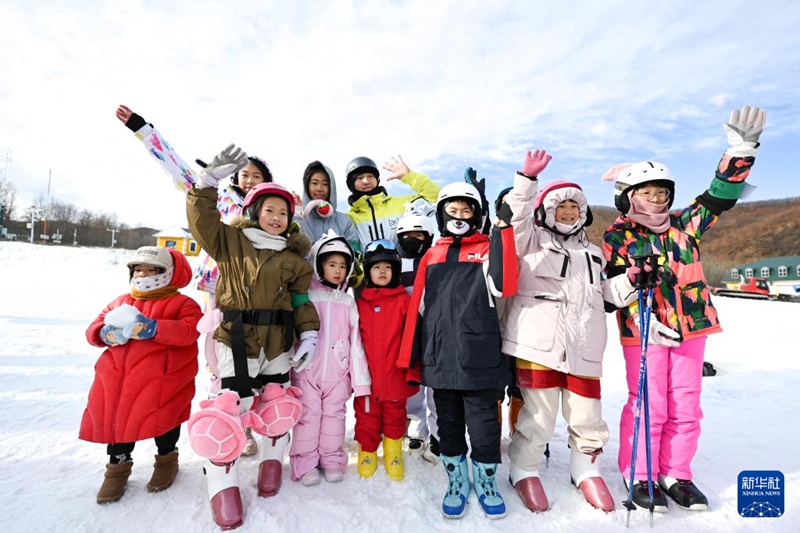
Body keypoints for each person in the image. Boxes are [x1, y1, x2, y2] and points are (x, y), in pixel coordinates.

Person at [601, 105, 767, 512]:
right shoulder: (617, 235)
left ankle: (676, 472)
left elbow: (718, 197)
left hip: (691, 325)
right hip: (645, 332)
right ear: (627, 196)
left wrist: (742, 151)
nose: (656, 199)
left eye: (662, 193)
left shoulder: (685, 225)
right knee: (649, 402)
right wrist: (645, 313)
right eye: (646, 193)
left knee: (687, 403)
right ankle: (639, 472)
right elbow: (610, 290)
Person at [116, 104, 271, 456]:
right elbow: (178, 167)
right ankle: (228, 423)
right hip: (218, 288)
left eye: (257, 176)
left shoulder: (271, 210)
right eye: (244, 174)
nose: (249, 179)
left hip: (255, 293)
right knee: (218, 358)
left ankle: (252, 418)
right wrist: (144, 129)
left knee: (254, 357)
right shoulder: (218, 196)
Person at [185, 148, 320, 530]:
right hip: (237, 339)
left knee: (277, 405)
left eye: (283, 213)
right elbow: (201, 221)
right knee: (231, 405)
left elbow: (300, 299)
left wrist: (308, 333)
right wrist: (206, 184)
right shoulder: (231, 241)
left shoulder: (295, 259)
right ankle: (222, 483)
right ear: (254, 212)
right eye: (269, 211)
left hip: (278, 340)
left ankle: (271, 463)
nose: (276, 218)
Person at [499, 150, 639, 514]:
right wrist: (526, 181)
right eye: (560, 208)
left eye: (574, 209)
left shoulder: (594, 253)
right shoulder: (530, 241)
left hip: (585, 346)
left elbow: (604, 296)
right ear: (546, 213)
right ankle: (524, 468)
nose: (568, 213)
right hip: (539, 344)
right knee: (539, 417)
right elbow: (514, 220)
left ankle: (586, 469)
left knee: (587, 415)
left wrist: (630, 282)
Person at [398, 182, 518, 520]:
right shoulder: (431, 255)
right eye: (453, 210)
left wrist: (503, 232)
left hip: (481, 359)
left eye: (467, 210)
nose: (460, 216)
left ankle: (486, 481)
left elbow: (505, 284)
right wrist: (411, 359)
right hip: (439, 360)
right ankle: (456, 480)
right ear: (441, 214)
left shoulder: (486, 248)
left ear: (478, 216)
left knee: (484, 430)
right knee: (448, 427)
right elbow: (417, 310)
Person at [80, 246, 202, 504]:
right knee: (118, 423)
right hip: (118, 380)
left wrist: (155, 328)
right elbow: (95, 325)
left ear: (170, 273)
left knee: (165, 420)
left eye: (152, 271)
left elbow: (190, 330)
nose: (144, 276)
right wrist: (103, 334)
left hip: (163, 381)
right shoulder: (121, 301)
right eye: (138, 271)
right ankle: (117, 468)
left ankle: (167, 459)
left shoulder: (183, 303)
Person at [289, 230, 372, 486]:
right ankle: (304, 462)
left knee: (335, 416)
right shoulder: (306, 297)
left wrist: (359, 382)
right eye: (331, 264)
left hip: (338, 374)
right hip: (307, 372)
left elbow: (356, 341)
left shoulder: (348, 302)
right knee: (308, 416)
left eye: (343, 266)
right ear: (318, 265)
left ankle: (332, 459)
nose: (338, 270)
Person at [354, 239, 417, 481]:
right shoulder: (360, 304)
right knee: (367, 416)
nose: (382, 272)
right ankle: (367, 450)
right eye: (377, 267)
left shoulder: (404, 302)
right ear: (368, 272)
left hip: (396, 375)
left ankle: (393, 450)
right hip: (367, 377)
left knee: (394, 415)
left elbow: (413, 339)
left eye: (388, 268)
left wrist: (412, 371)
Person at [395, 200, 441, 463]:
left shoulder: (435, 259)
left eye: (419, 235)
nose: (413, 240)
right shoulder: (394, 263)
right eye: (408, 236)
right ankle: (415, 424)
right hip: (406, 333)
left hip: (434, 331)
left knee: (435, 385)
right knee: (411, 381)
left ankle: (437, 433)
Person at [344, 155, 441, 248]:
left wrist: (409, 176)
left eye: (370, 176)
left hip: (405, 264)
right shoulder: (348, 219)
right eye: (359, 178)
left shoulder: (403, 205)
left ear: (377, 179)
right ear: (351, 184)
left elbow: (438, 198)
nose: (366, 181)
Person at [297, 160, 361, 253]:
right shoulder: (298, 218)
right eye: (314, 183)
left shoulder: (345, 221)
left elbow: (355, 254)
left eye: (325, 184)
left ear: (331, 187)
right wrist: (296, 214)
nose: (319, 188)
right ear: (307, 186)